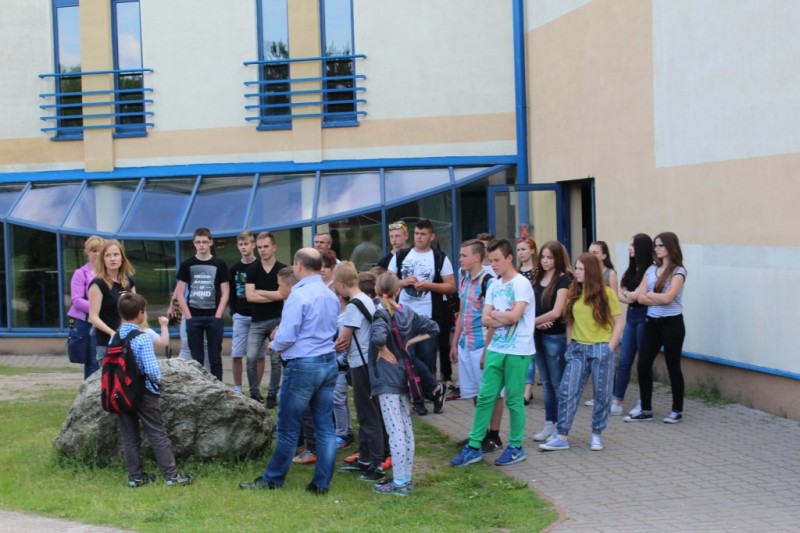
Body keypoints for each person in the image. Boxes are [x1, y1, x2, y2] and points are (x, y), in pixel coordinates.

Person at [240, 248, 339, 494]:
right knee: (325, 427)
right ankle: (321, 483)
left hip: (304, 364)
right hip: (328, 361)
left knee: (288, 427)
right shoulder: (330, 295)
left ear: (298, 266)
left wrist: (274, 344)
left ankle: (273, 479)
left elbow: (288, 334)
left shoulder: (298, 295)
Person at [450, 238, 535, 468]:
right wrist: (501, 317)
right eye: (491, 260)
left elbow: (514, 317)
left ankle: (516, 446)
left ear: (509, 258)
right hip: (496, 348)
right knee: (485, 396)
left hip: (518, 350)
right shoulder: (495, 285)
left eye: (497, 260)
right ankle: (474, 445)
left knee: (514, 400)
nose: (493, 265)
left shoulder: (521, 284)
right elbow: (485, 319)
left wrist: (498, 316)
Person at [539, 253, 623, 452]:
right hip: (578, 348)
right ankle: (562, 436)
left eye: (580, 269)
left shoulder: (607, 293)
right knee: (567, 391)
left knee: (602, 394)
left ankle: (596, 433)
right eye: (576, 268)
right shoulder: (573, 292)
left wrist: (609, 347)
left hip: (601, 348)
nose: (576, 272)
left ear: (591, 271)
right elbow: (570, 321)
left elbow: (619, 322)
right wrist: (570, 345)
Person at [370, 271, 440, 495]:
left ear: (376, 290)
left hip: (387, 378)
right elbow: (434, 328)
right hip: (404, 376)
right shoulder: (407, 312)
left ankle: (400, 481)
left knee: (395, 430)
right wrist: (409, 342)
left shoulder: (380, 314)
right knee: (405, 426)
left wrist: (382, 349)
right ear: (398, 291)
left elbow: (378, 337)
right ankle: (405, 477)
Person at [114, 293, 194, 488]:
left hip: (121, 393)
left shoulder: (115, 337)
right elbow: (151, 369)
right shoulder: (142, 338)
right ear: (141, 313)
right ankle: (171, 475)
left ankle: (135, 477)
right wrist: (157, 384)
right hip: (143, 393)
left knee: (129, 436)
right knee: (157, 433)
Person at [388, 218, 455, 413]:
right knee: (408, 356)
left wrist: (429, 285)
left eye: (423, 234)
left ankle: (429, 394)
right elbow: (386, 281)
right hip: (403, 315)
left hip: (428, 316)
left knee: (426, 358)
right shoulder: (402, 255)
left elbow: (451, 286)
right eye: (417, 233)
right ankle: (425, 394)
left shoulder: (439, 257)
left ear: (431, 236)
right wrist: (404, 282)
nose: (419, 237)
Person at [625, 232, 687, 424]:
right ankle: (646, 409)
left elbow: (669, 298)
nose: (657, 249)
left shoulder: (679, 271)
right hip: (651, 322)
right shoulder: (651, 269)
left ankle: (676, 410)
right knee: (643, 364)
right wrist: (654, 297)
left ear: (670, 247)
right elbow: (640, 297)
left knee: (672, 366)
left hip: (672, 323)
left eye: (660, 245)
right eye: (655, 246)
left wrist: (651, 295)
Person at [449, 239, 505, 452]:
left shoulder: (489, 283)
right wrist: (455, 343)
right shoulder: (464, 279)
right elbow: (462, 313)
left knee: (492, 392)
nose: (460, 259)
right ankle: (480, 432)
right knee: (474, 391)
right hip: (466, 344)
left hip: (482, 344)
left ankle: (494, 435)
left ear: (477, 257)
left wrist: (487, 351)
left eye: (464, 255)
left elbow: (493, 319)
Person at [332, 262, 385, 481]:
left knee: (368, 414)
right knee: (365, 412)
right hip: (367, 362)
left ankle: (376, 463)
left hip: (360, 365)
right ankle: (365, 458)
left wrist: (327, 346)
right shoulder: (366, 298)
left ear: (340, 285)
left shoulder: (354, 305)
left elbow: (343, 341)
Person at [530, 241, 572, 442]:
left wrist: (532, 322)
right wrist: (537, 324)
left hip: (555, 336)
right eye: (543, 257)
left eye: (550, 257)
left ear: (558, 258)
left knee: (557, 384)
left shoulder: (564, 280)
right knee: (546, 383)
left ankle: (561, 427)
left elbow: (557, 312)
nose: (545, 261)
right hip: (538, 334)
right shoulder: (538, 278)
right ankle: (549, 423)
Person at [175, 227, 230, 381]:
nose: (201, 245)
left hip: (213, 316)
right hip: (194, 317)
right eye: (198, 242)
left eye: (205, 242)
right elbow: (179, 293)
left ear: (210, 242)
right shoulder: (187, 264)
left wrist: (218, 315)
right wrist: (188, 316)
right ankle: (199, 387)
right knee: (196, 358)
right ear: (194, 243)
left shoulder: (220, 264)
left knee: (215, 357)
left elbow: (225, 292)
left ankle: (218, 387)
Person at [611, 234, 653, 416]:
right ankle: (617, 400)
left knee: (643, 362)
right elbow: (619, 295)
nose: (629, 248)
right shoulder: (630, 270)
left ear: (641, 248)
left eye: (632, 245)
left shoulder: (649, 269)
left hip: (644, 316)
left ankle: (644, 401)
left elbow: (636, 296)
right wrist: (630, 295)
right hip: (631, 317)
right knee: (624, 360)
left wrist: (629, 295)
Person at [245, 231, 287, 405]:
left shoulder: (282, 270)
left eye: (266, 246)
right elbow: (250, 296)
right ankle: (254, 393)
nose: (262, 250)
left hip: (277, 320)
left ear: (274, 247)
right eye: (260, 247)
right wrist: (274, 295)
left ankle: (271, 395)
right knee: (251, 358)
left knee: (276, 359)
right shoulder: (252, 269)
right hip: (257, 321)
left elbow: (283, 295)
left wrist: (260, 292)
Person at [89, 239, 136, 363]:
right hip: (107, 343)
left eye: (116, 254)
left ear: (122, 257)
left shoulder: (128, 281)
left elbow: (137, 308)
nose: (112, 259)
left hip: (129, 341)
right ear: (103, 260)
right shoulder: (98, 284)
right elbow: (93, 317)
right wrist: (112, 333)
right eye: (108, 255)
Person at [67, 235, 104, 379]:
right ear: (87, 252)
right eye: (93, 251)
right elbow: (76, 300)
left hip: (107, 320)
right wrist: (99, 307)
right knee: (92, 360)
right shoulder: (80, 273)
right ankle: (89, 389)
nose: (97, 254)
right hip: (88, 322)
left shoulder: (108, 273)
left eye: (100, 250)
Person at [229, 231, 257, 394]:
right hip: (240, 315)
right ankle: (238, 388)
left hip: (257, 316)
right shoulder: (235, 268)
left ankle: (255, 388)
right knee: (236, 353)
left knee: (257, 355)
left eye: (246, 244)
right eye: (241, 244)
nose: (243, 247)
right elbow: (231, 293)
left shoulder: (259, 266)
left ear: (253, 245)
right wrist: (233, 313)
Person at [516, 236, 538, 405]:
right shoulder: (516, 272)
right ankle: (525, 389)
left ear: (532, 251)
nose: (520, 253)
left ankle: (528, 389)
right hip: (520, 317)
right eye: (518, 250)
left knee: (534, 354)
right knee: (525, 354)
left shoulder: (538, 272)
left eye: (523, 249)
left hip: (536, 315)